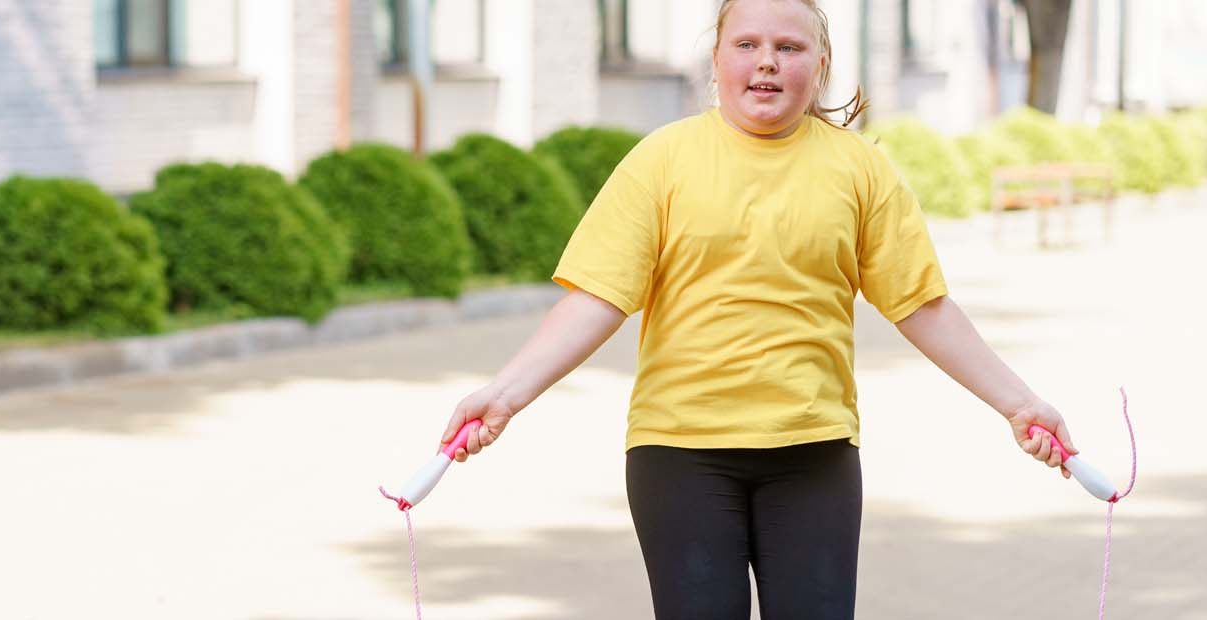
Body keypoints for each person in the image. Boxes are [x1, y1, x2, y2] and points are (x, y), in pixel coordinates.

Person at [437, 1, 1079, 617]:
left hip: (814, 452)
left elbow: (922, 307)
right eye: (747, 44)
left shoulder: (860, 170)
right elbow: (596, 300)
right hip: (680, 452)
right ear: (715, 59)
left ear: (820, 63)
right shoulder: (661, 161)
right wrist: (505, 395)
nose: (766, 62)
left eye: (788, 47)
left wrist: (1020, 404)